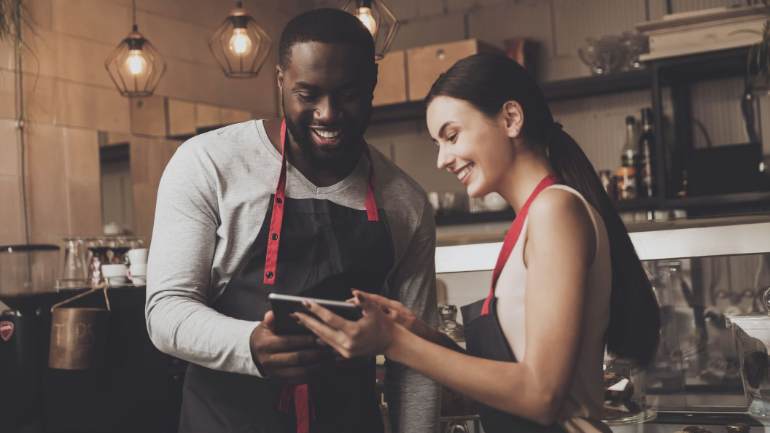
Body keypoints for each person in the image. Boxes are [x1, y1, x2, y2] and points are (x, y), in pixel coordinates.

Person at [295, 53, 661, 433]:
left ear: (511, 119)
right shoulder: (534, 218)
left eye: (451, 136)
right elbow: (511, 377)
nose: (442, 159)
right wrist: (415, 332)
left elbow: (542, 394)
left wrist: (394, 343)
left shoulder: (556, 209)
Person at [145, 8, 440, 433]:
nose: (328, 113)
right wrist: (248, 345)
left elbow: (416, 361)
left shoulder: (406, 203)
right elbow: (166, 312)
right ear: (281, 81)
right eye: (308, 94)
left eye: (348, 94)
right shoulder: (209, 163)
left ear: (373, 85)